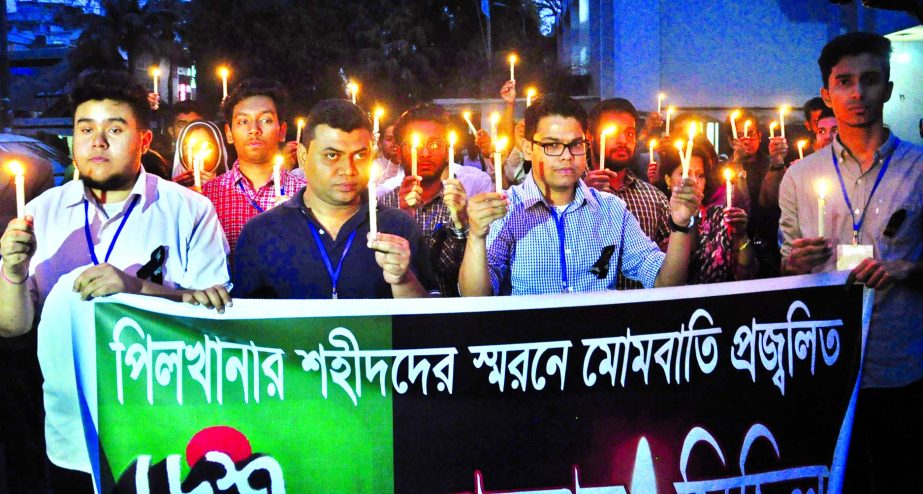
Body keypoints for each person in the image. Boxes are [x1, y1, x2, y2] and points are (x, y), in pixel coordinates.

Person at [0, 70, 231, 493]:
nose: (98, 142)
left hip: (164, 428)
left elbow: (215, 319)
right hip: (68, 429)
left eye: (115, 129)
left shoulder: (190, 211)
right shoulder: (42, 212)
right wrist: (12, 274)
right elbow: (13, 326)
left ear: (144, 140)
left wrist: (138, 289)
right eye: (85, 129)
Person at [778, 32, 923, 494]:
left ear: (889, 86)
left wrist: (909, 270)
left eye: (870, 79)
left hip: (901, 362)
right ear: (827, 93)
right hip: (827, 361)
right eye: (844, 82)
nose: (857, 93)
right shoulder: (800, 176)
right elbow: (787, 268)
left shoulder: (919, 169)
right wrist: (794, 262)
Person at [458, 94, 701, 296]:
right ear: (528, 149)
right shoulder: (506, 208)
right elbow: (475, 297)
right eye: (552, 145)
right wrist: (476, 236)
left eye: (576, 144)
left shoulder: (611, 210)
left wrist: (680, 226)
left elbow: (665, 283)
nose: (567, 156)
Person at [232, 99, 437, 299]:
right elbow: (243, 325)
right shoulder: (261, 232)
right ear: (303, 156)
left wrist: (404, 280)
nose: (348, 170)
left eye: (359, 155)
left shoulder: (398, 227)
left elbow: (428, 323)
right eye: (332, 155)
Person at [201, 79, 306, 256]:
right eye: (243, 121)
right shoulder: (206, 197)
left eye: (265, 120)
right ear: (229, 133)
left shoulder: (305, 194)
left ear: (282, 131)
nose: (254, 130)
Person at [379, 103, 471, 297]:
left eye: (435, 144)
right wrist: (402, 219)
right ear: (398, 150)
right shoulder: (383, 205)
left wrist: (461, 223)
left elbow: (456, 275)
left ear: (448, 150)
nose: (426, 153)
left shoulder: (459, 204)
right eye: (416, 145)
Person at [586, 98, 672, 289]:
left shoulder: (654, 198)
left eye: (630, 133)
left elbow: (672, 261)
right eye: (613, 132)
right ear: (590, 136)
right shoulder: (569, 192)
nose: (623, 141)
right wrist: (582, 195)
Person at [659, 138, 755, 283]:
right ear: (667, 179)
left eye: (700, 175)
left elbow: (746, 274)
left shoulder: (719, 216)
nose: (693, 181)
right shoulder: (659, 216)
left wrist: (741, 235)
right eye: (685, 173)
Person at [725, 109, 787, 277]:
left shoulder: (771, 163)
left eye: (751, 133)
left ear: (760, 136)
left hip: (770, 237)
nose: (747, 139)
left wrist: (778, 161)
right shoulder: (723, 167)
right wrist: (736, 161)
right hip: (737, 240)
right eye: (740, 135)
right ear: (731, 141)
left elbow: (781, 197)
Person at [171, 120, 230, 187]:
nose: (198, 151)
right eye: (192, 146)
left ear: (218, 152)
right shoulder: (168, 190)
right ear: (181, 151)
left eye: (207, 145)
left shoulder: (231, 189)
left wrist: (216, 188)